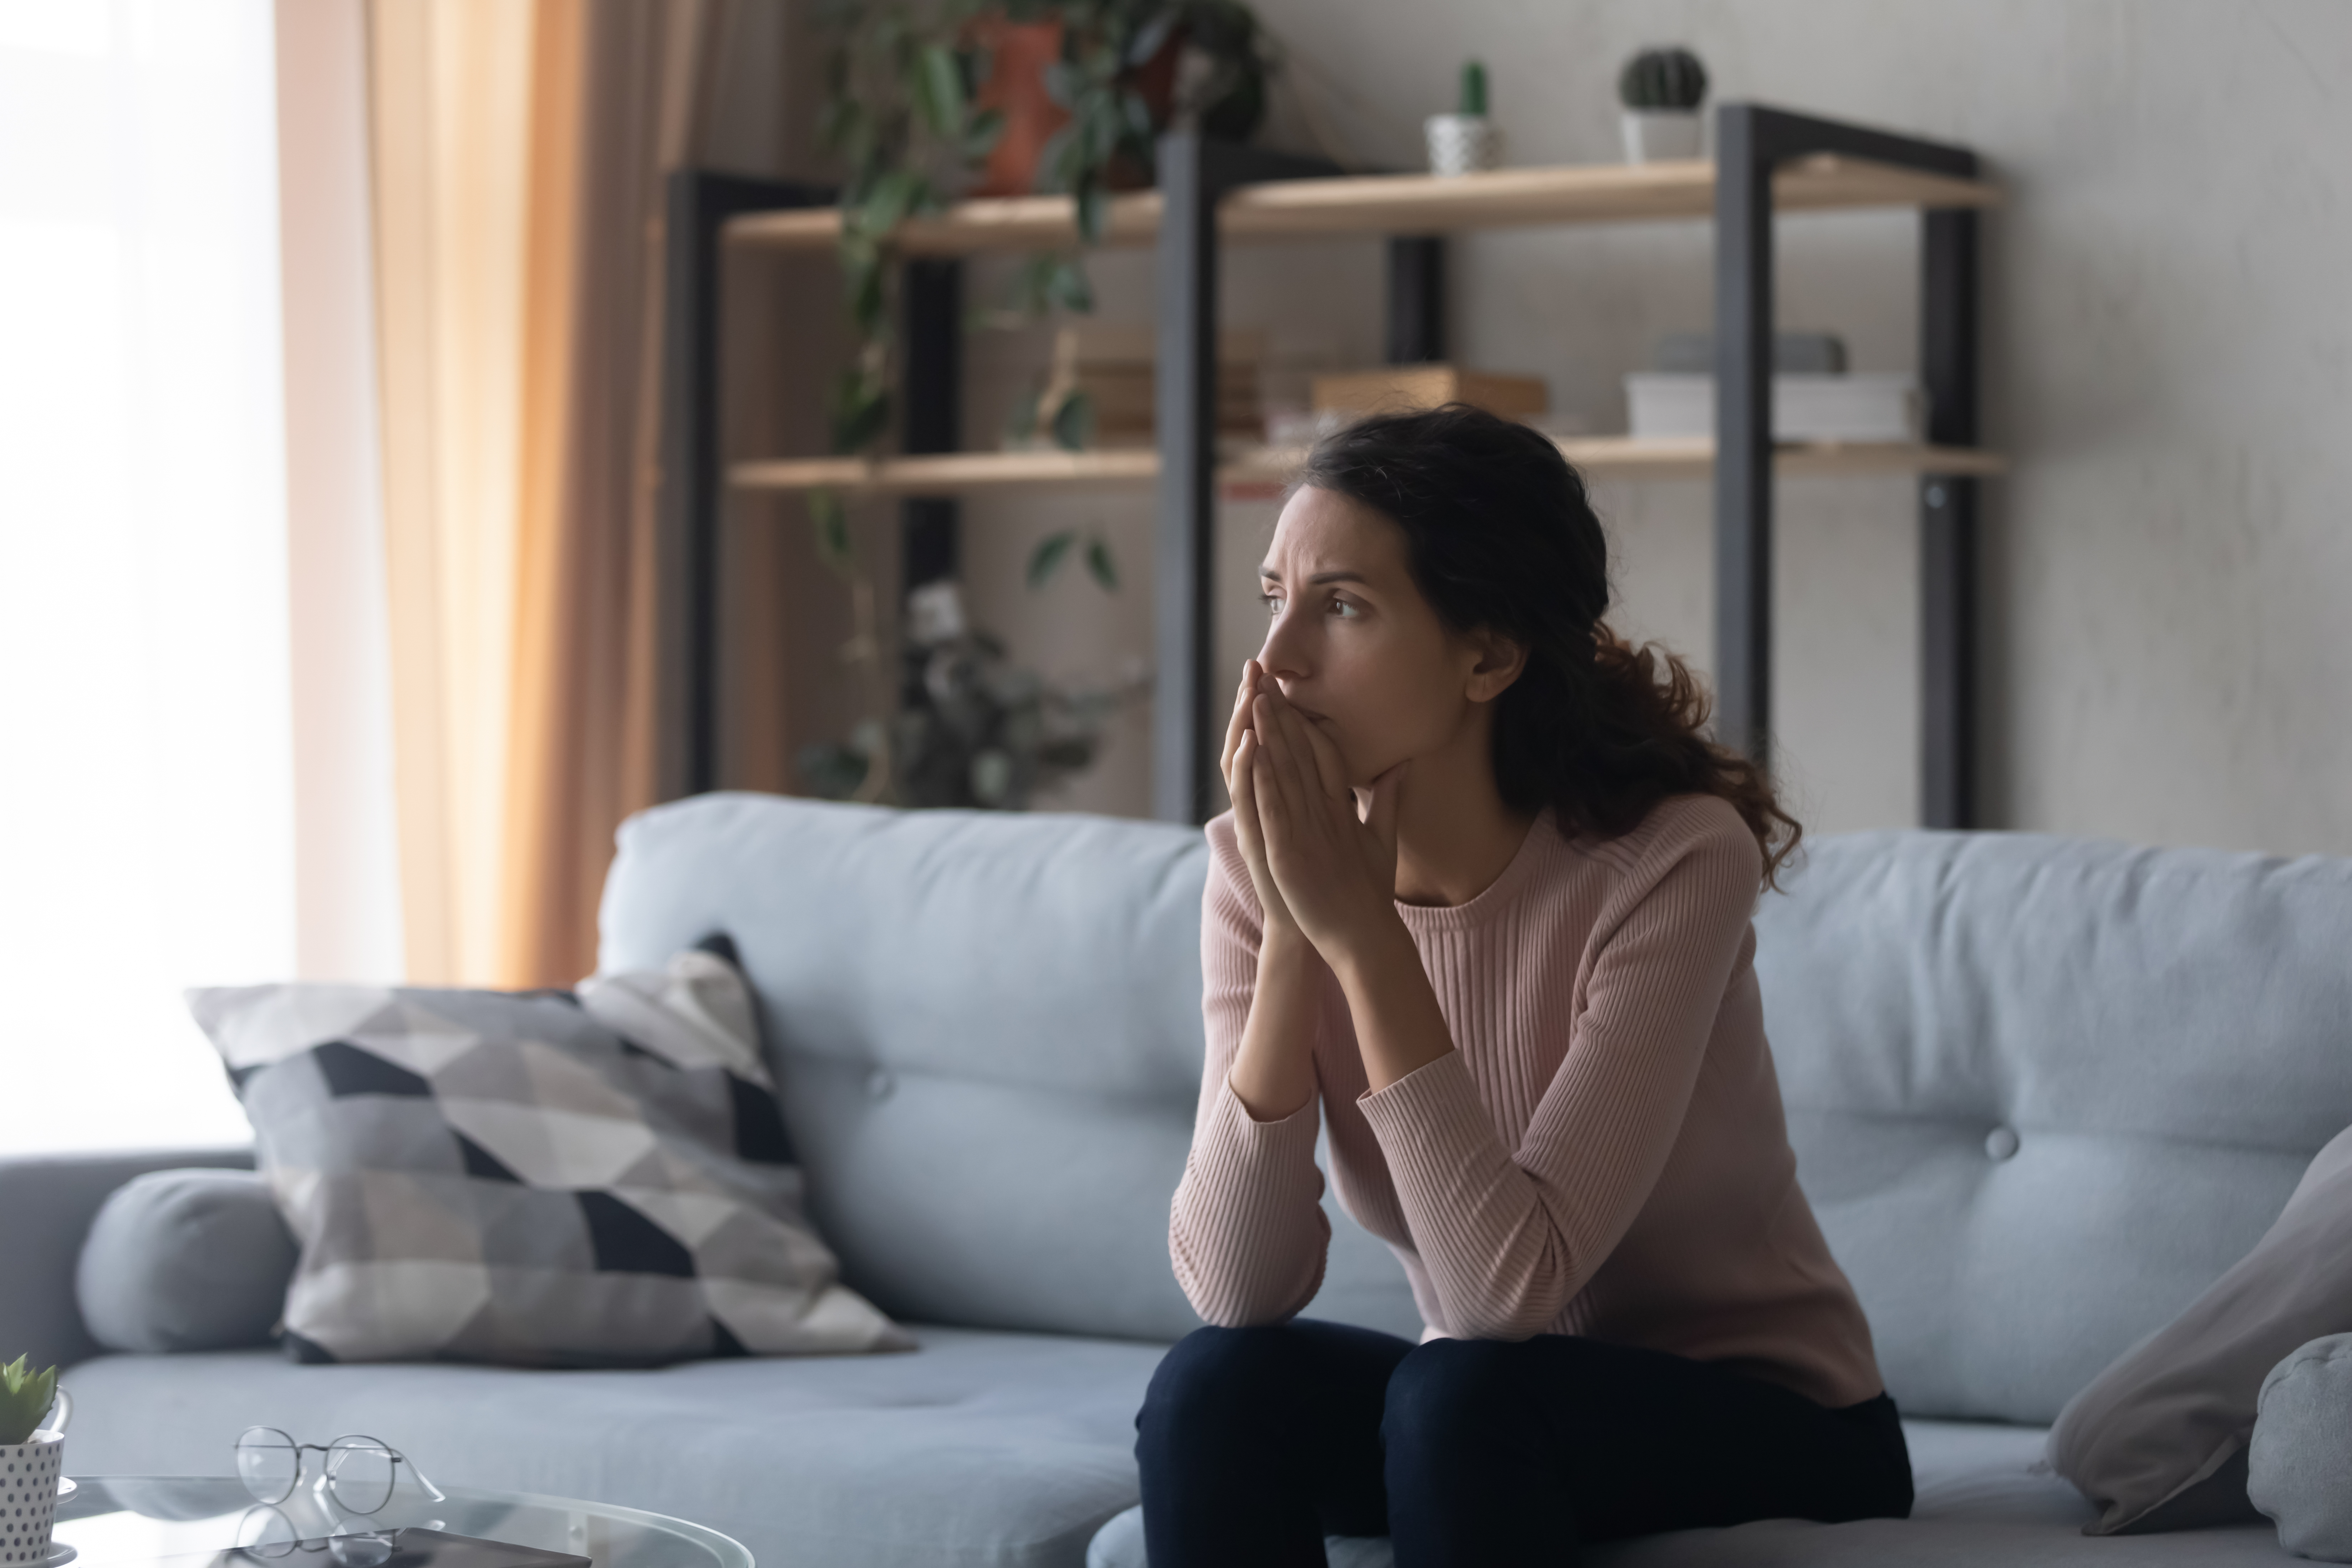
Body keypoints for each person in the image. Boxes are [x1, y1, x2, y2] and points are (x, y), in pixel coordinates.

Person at [1136, 404, 1911, 1567]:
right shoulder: (1258, 868)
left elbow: (1506, 1292)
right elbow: (1236, 1286)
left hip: (1774, 1416)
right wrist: (1299, 923)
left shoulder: (1670, 859)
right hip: (1484, 1403)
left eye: (1340, 606)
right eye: (1272, 599)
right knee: (1213, 1385)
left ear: (1487, 656)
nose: (1277, 658)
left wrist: (1362, 936)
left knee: (1460, 1395)